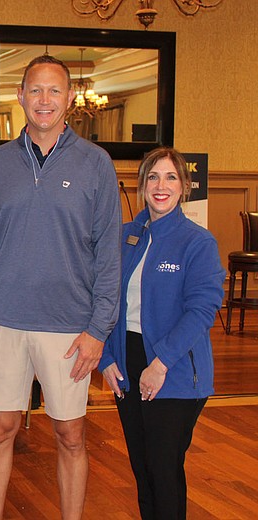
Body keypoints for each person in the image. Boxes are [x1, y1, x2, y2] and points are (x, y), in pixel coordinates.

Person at [0, 55, 121, 519]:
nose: (44, 100)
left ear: (71, 98)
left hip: (70, 327)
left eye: (55, 91)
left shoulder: (96, 164)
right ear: (20, 96)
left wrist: (98, 330)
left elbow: (109, 255)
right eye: (35, 90)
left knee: (70, 435)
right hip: (4, 320)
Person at [100, 147, 224, 519]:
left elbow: (201, 310)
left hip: (175, 370)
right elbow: (102, 299)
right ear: (141, 186)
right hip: (127, 363)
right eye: (153, 177)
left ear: (184, 186)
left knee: (164, 469)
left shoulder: (198, 243)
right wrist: (106, 358)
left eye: (170, 177)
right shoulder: (123, 237)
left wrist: (160, 364)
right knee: (143, 470)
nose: (161, 185)